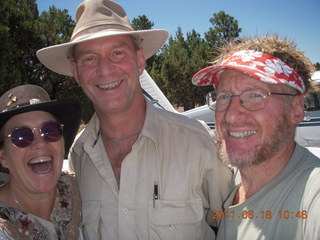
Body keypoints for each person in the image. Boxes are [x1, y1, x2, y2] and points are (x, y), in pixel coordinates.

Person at [36, 0, 233, 239]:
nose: (105, 70)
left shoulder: (197, 142)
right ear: (76, 72)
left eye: (117, 53)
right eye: (89, 58)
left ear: (140, 61)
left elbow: (230, 224)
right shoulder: (79, 155)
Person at [192, 35, 320, 239]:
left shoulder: (313, 197)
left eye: (255, 95)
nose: (231, 115)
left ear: (296, 108)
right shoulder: (229, 180)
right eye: (224, 96)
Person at [0, 85, 83, 239]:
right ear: (3, 157)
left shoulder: (79, 190)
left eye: (51, 131)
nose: (40, 144)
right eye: (21, 136)